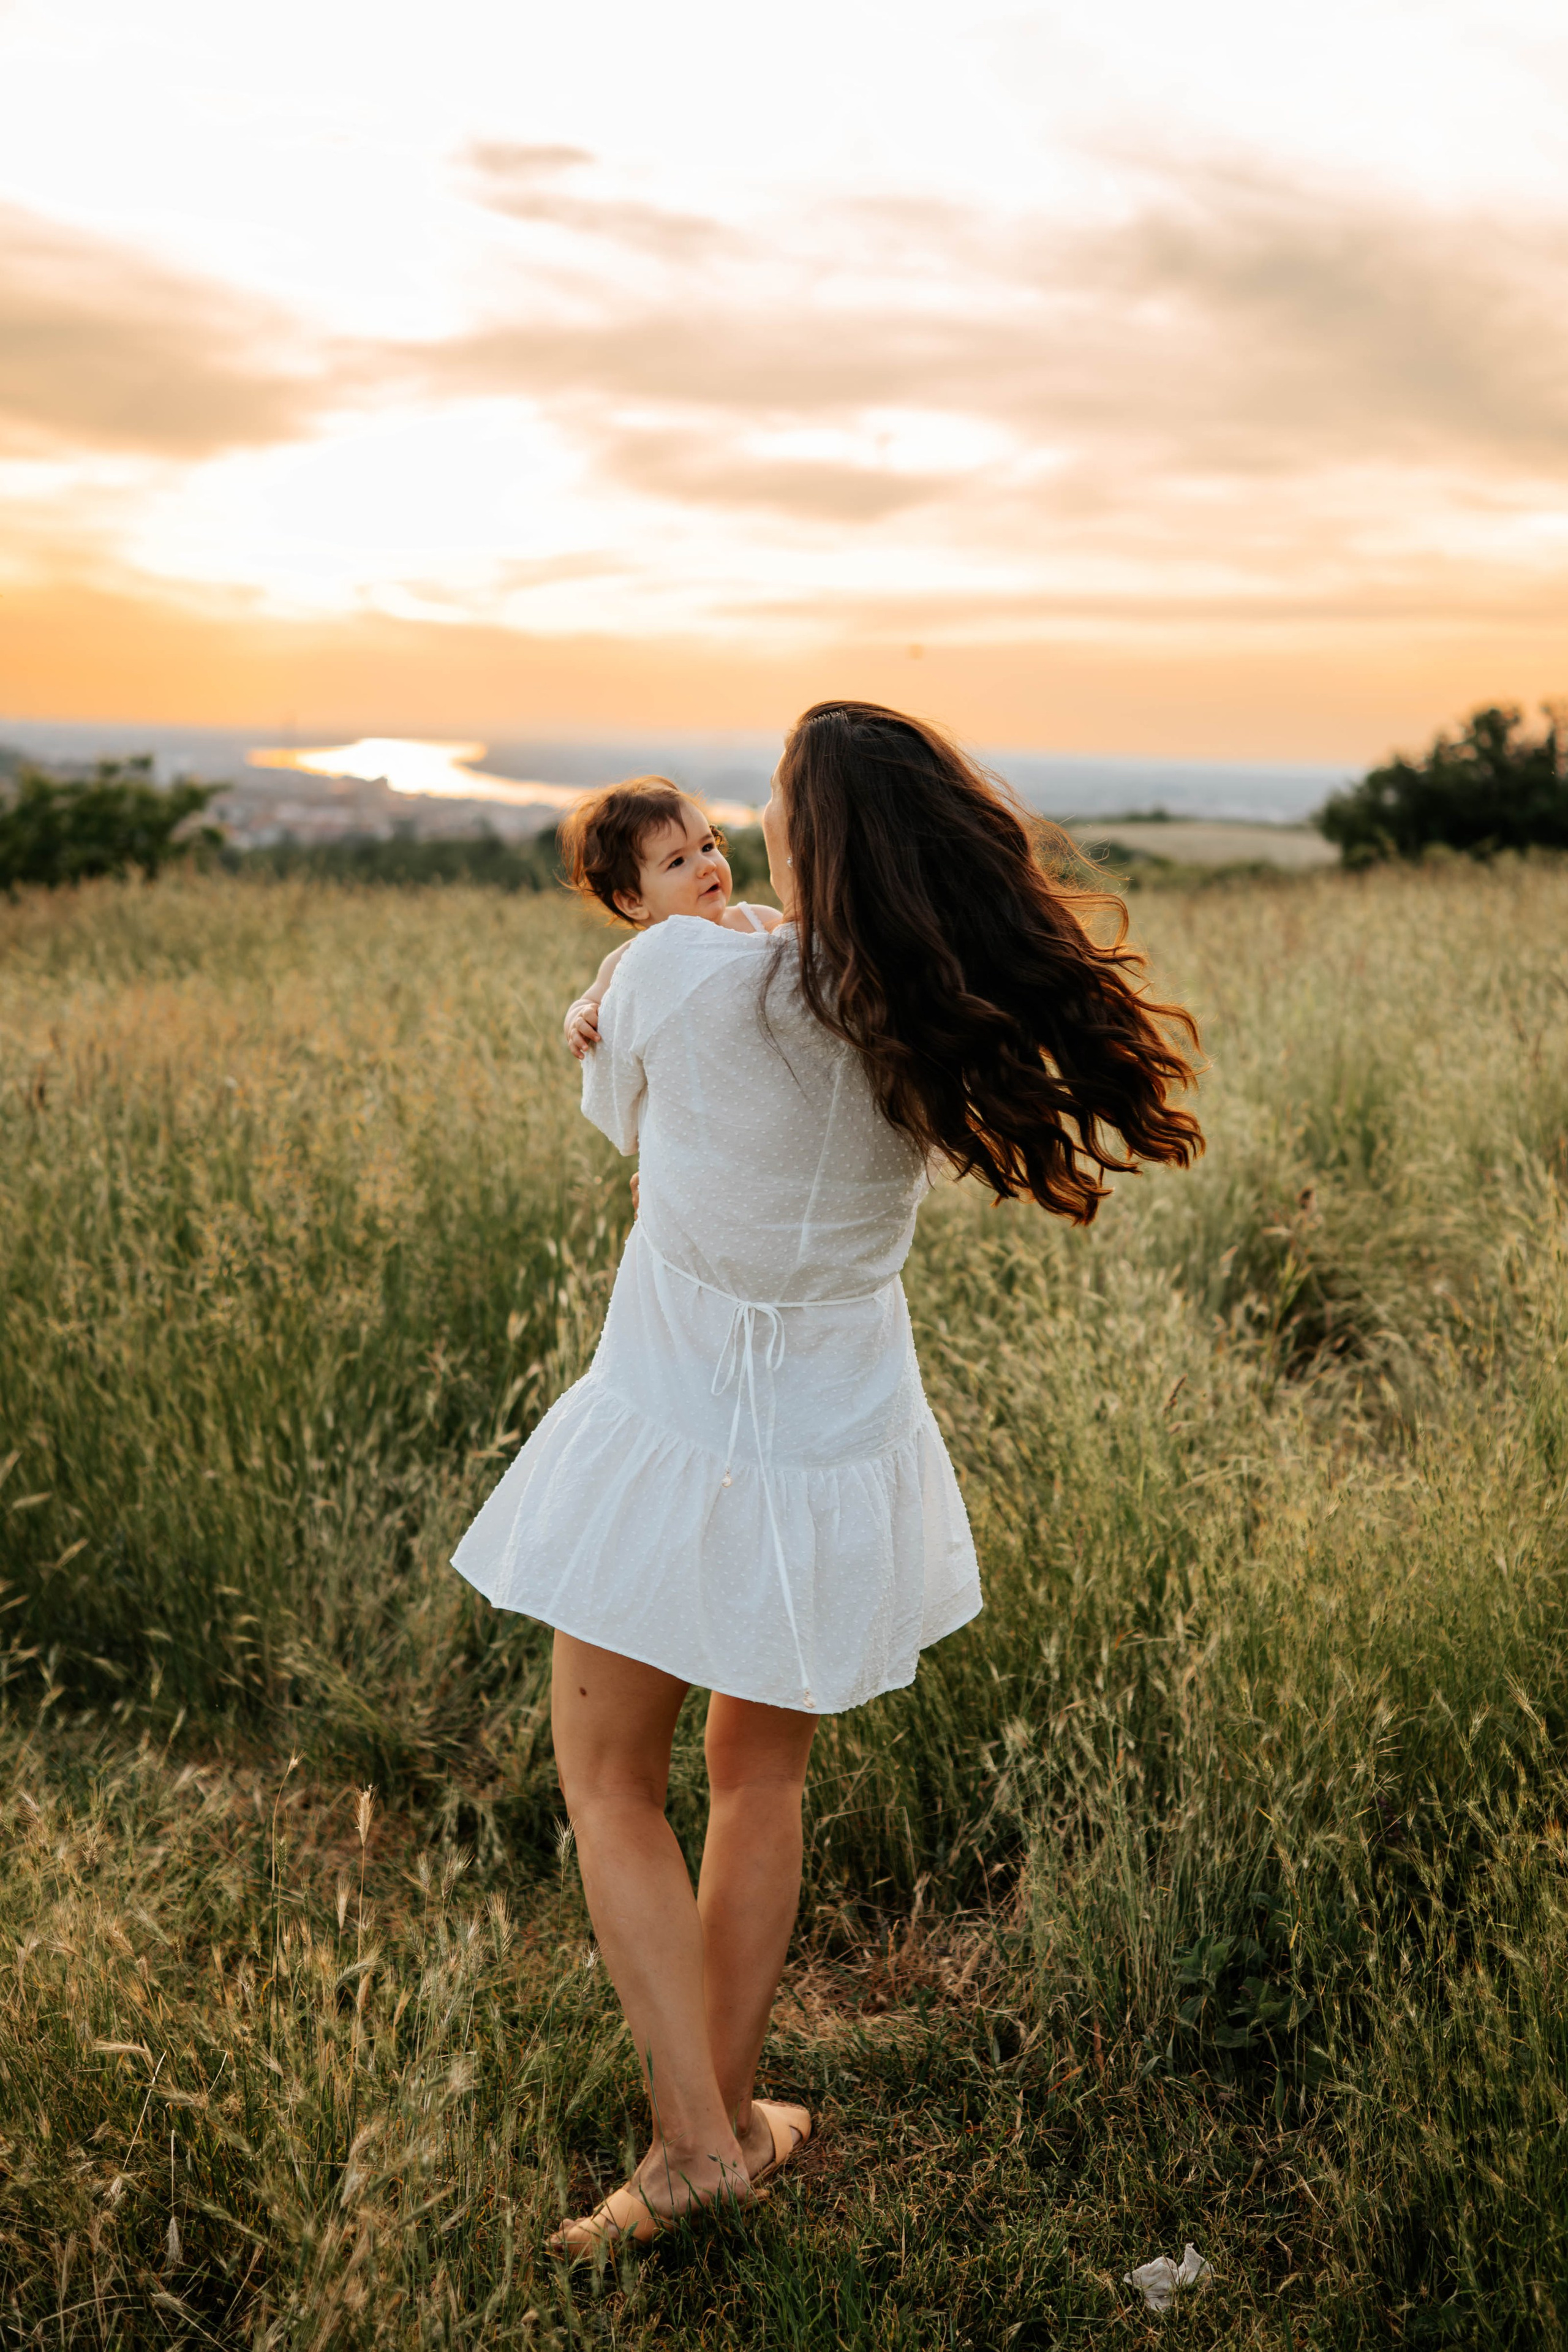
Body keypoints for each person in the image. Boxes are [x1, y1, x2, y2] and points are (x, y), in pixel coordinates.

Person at [450, 703, 1202, 2258]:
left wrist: (605, 988)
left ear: (809, 835)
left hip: (672, 1414)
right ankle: (724, 2129)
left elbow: (623, 1123)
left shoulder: (674, 969)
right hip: (833, 1436)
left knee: (607, 1776)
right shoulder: (924, 1012)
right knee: (756, 1773)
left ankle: (686, 2144)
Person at [553, 776, 784, 1066]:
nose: (707, 866)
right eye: (677, 862)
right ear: (633, 901)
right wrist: (579, 1018)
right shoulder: (629, 961)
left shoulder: (759, 921)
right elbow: (588, 1002)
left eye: (707, 846)